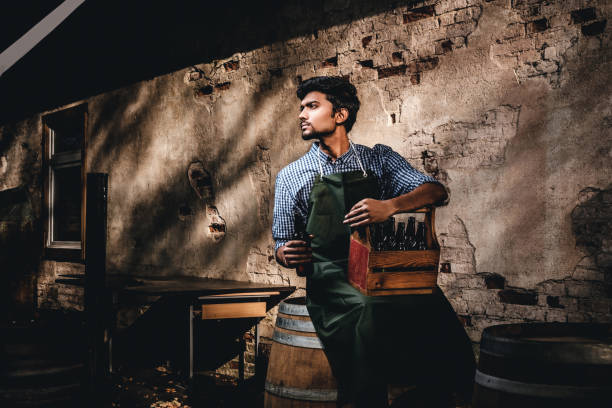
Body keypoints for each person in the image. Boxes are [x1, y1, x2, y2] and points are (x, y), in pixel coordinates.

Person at [272, 76, 475, 407]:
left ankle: (440, 392)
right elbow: (282, 242)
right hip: (331, 279)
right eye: (301, 108)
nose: (301, 115)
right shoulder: (291, 176)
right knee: (368, 315)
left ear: (340, 114)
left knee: (431, 304)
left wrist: (391, 206)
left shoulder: (377, 160)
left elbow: (435, 191)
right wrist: (285, 252)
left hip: (380, 270)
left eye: (312, 106)